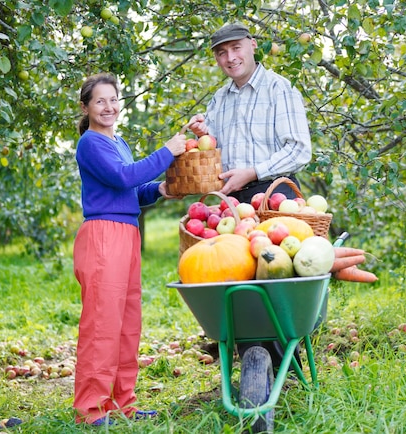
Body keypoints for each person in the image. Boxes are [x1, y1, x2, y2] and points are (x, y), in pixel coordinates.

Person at [186, 23, 313, 371]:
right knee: (235, 282)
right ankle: (263, 363)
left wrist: (254, 172)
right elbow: (216, 155)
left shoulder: (279, 90)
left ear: (253, 46)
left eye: (236, 48)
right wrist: (204, 135)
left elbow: (300, 149)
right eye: (222, 53)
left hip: (274, 196)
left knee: (274, 280)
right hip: (232, 201)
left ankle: (280, 361)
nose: (230, 58)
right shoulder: (219, 99)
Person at [72, 72, 186, 425]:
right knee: (102, 323)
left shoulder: (118, 142)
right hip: (103, 235)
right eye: (100, 101)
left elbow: (130, 190)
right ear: (86, 107)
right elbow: (123, 177)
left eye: (113, 99)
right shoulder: (90, 143)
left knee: (126, 323)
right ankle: (90, 409)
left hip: (127, 232)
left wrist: (158, 191)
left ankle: (122, 402)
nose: (108, 107)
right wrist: (167, 151)